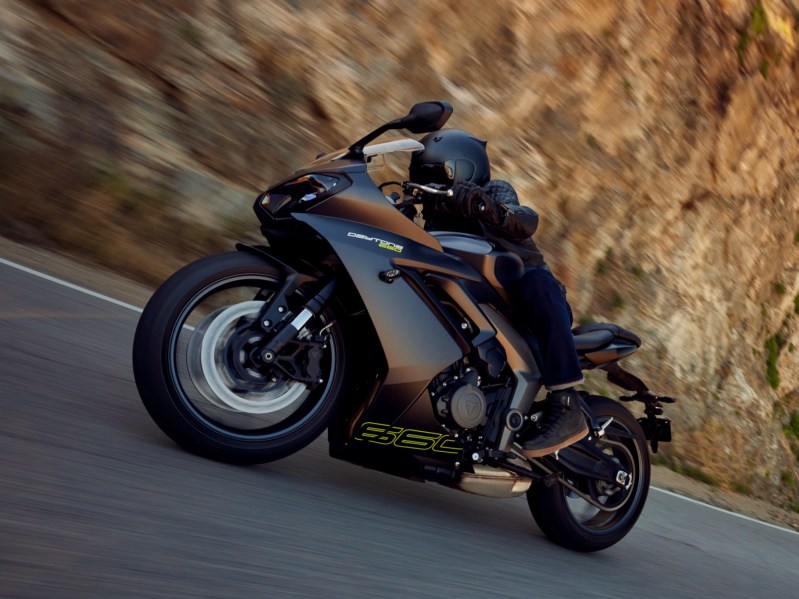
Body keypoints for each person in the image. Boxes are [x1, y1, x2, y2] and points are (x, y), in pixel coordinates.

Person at [408, 129, 587, 458]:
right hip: (473, 302)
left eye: (435, 175)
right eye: (421, 176)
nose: (427, 185)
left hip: (522, 298)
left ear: (463, 168)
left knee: (538, 284)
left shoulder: (494, 189)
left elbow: (524, 220)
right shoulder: (431, 213)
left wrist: (488, 208)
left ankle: (566, 404)